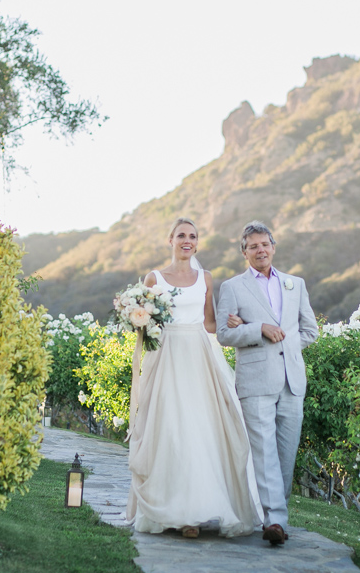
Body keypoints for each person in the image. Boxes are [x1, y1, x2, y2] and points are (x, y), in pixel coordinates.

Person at [125, 217, 262, 539]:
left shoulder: (206, 278)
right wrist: (135, 318)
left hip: (199, 355)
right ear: (170, 240)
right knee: (170, 427)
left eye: (193, 236)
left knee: (200, 429)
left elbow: (210, 324)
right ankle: (177, 512)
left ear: (197, 244)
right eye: (181, 235)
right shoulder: (154, 278)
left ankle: (197, 513)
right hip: (167, 356)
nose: (187, 240)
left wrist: (238, 322)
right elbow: (143, 324)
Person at [215, 220, 319, 546]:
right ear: (244, 252)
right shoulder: (232, 288)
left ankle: (275, 511)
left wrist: (283, 346)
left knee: (286, 455)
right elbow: (223, 333)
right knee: (265, 454)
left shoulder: (295, 284)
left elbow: (309, 332)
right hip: (255, 380)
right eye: (253, 246)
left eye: (265, 244)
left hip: (292, 380)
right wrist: (257, 329)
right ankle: (275, 521)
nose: (260, 250)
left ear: (273, 247)